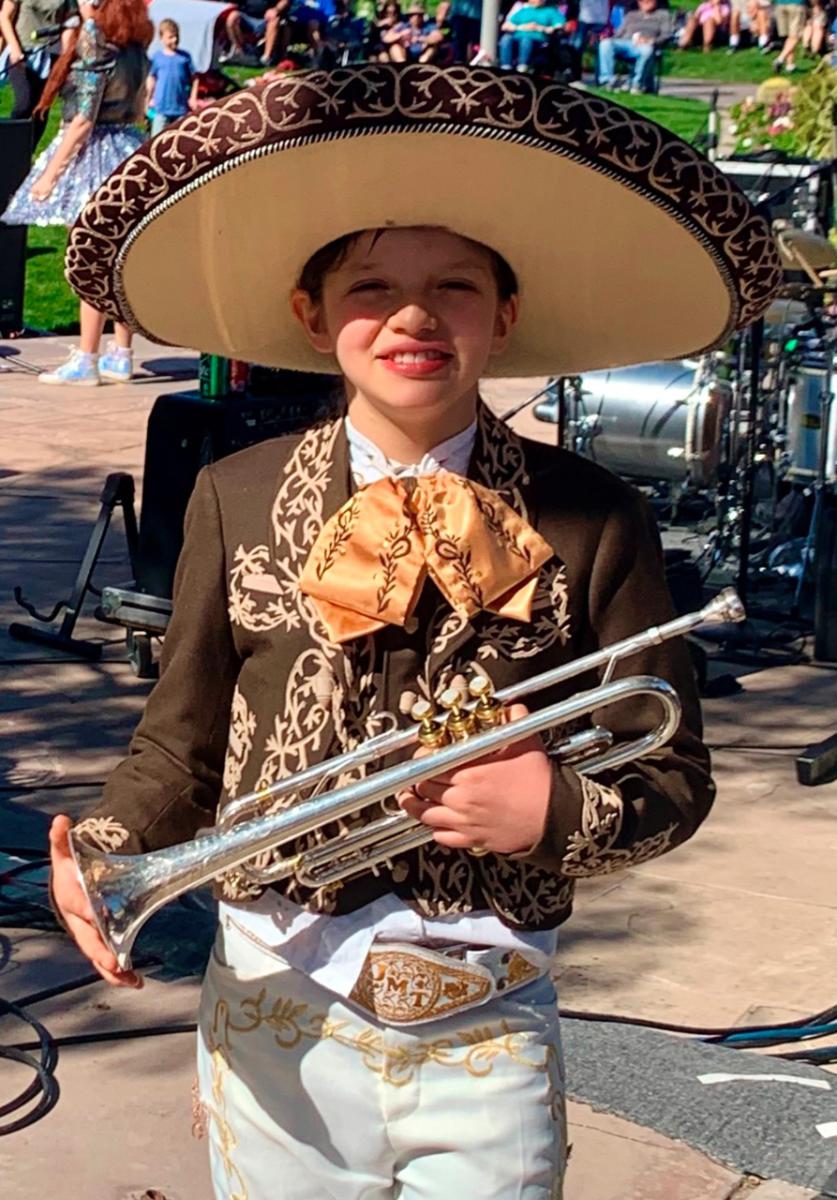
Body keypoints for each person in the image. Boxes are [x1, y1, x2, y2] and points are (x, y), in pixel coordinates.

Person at [56, 64, 780, 1199]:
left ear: (506, 314)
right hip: (275, 1015)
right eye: (369, 286)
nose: (412, 316)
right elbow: (180, 743)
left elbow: (674, 778)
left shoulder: (594, 517)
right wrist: (109, 845)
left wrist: (553, 811)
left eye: (454, 285)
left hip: (488, 1025)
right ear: (310, 315)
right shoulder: (235, 495)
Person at [1, 0, 151, 385]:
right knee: (121, 259)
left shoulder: (95, 37)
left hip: (93, 156)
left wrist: (49, 174)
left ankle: (86, 358)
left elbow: (83, 118)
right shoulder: (136, 44)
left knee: (90, 259)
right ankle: (121, 354)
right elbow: (139, 109)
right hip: (128, 148)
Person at [0, 0, 75, 146]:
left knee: (42, 108)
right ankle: (8, 146)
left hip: (50, 54)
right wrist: (15, 49)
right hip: (21, 54)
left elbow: (69, 21)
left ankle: (26, 154)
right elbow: (4, 17)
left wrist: (65, 57)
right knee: (24, 102)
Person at [597, 0, 672, 91]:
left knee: (646, 50)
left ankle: (636, 84)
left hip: (645, 45)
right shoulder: (631, 15)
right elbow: (618, 33)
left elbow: (666, 35)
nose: (645, 2)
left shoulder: (663, 15)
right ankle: (606, 81)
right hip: (625, 43)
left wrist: (651, 41)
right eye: (642, 0)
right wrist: (608, 38)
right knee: (606, 44)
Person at [146, 18, 198, 136]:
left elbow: (195, 78)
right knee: (157, 139)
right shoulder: (157, 57)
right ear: (162, 38)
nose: (174, 40)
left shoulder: (184, 57)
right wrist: (149, 98)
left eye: (176, 36)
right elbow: (152, 78)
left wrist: (193, 97)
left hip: (180, 108)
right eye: (170, 37)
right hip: (161, 107)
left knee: (180, 139)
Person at [498, 0, 565, 72]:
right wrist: (522, 27)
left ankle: (523, 67)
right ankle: (505, 67)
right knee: (506, 39)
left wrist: (540, 28)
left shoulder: (551, 11)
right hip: (517, 37)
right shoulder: (523, 11)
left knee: (526, 40)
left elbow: (560, 25)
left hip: (537, 40)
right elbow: (506, 26)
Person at [773, 0, 806, 68]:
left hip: (780, 4)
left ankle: (789, 65)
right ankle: (780, 59)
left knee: (787, 37)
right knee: (796, 36)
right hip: (795, 4)